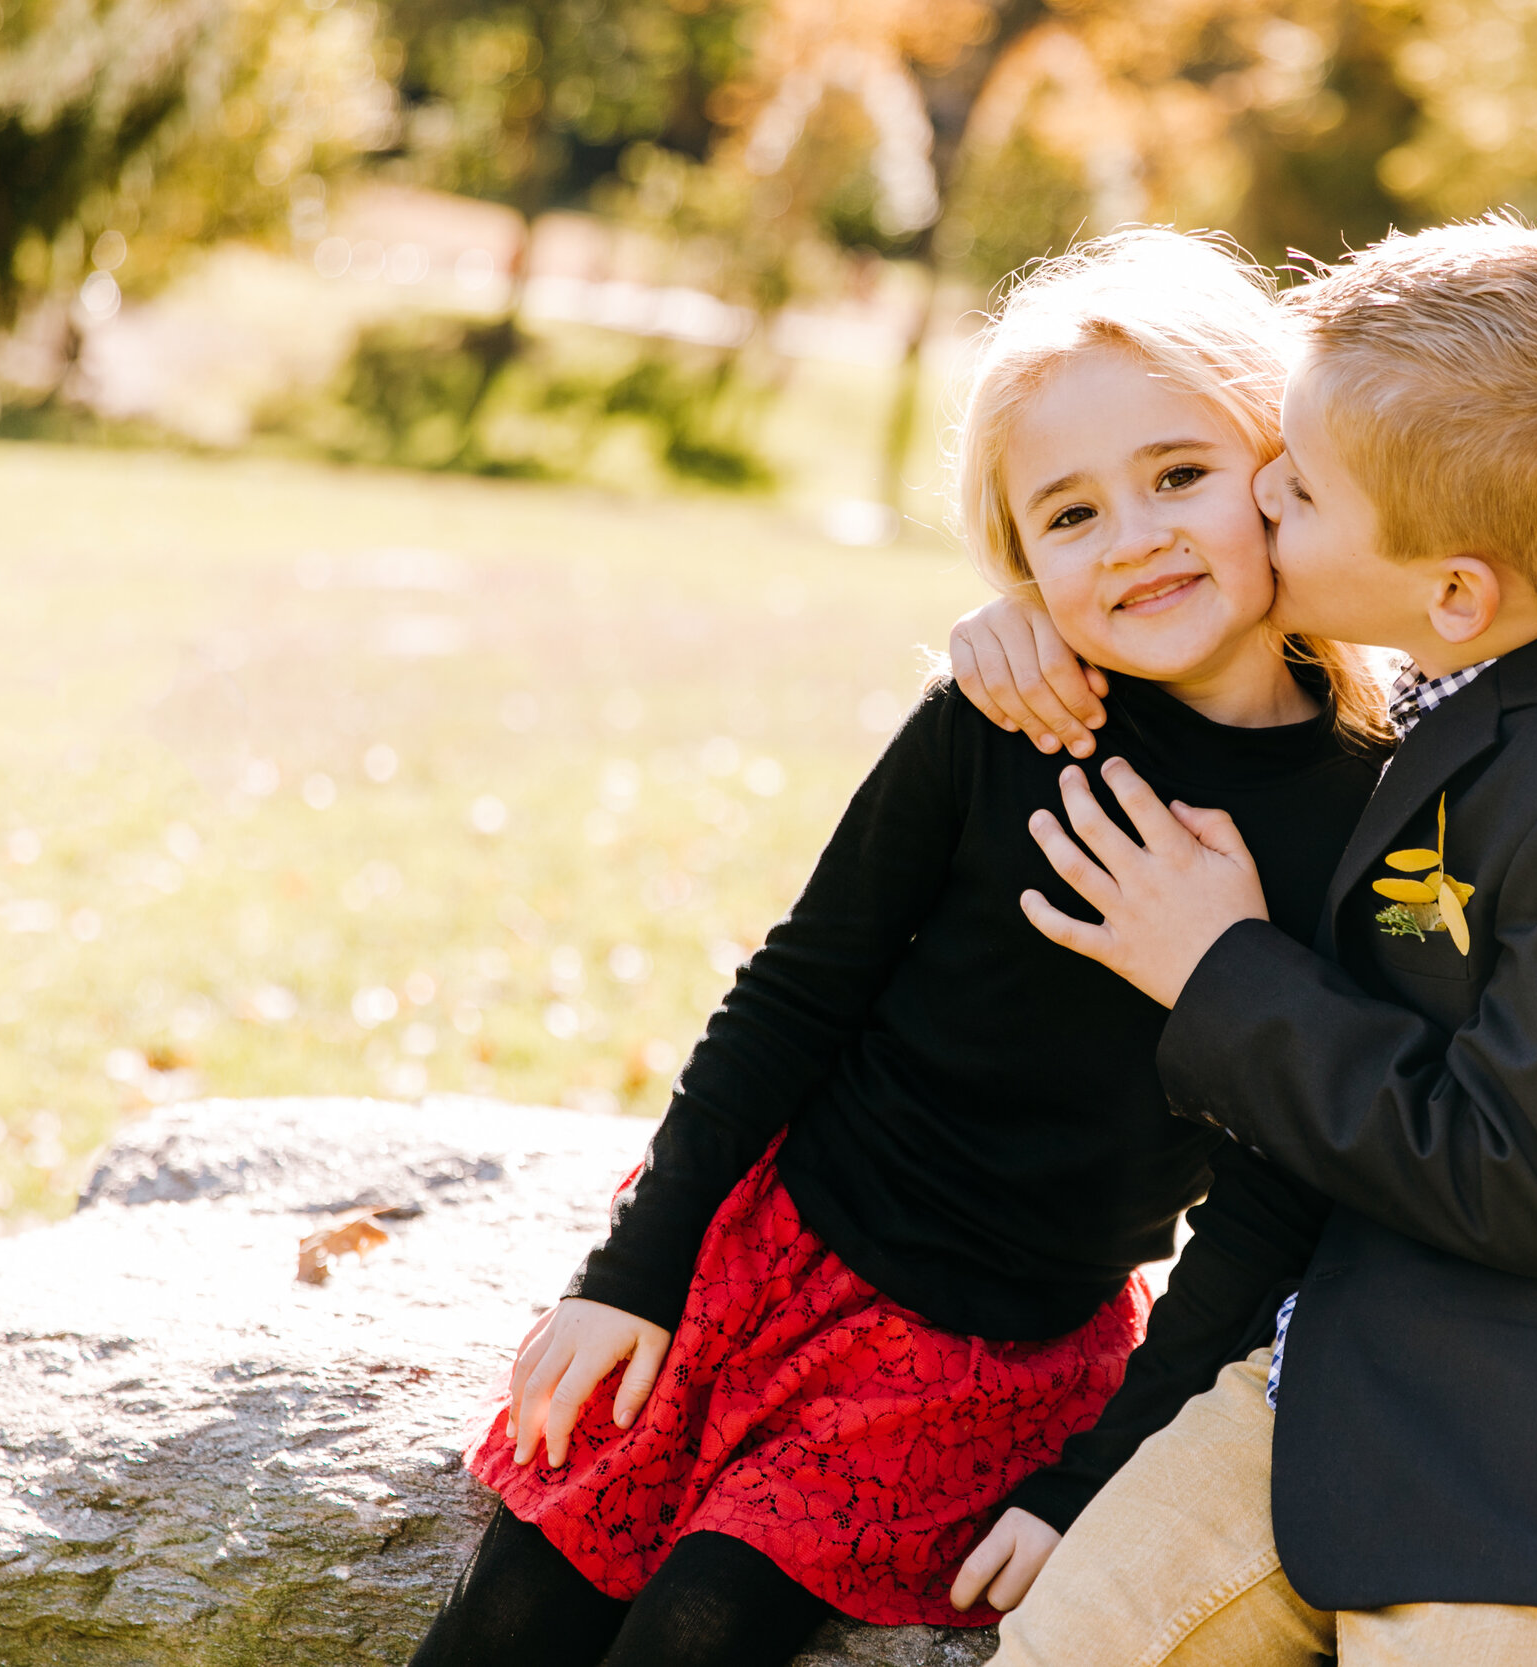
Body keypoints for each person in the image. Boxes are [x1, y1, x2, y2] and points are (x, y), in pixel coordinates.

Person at [403, 228, 1389, 1667]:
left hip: (985, 1363)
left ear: (1282, 465)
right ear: (1019, 559)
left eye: (1179, 474)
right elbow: (800, 987)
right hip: (774, 1249)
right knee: (508, 1619)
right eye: (1069, 515)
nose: (1133, 538)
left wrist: (1087, 1477)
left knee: (697, 1634)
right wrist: (634, 1269)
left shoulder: (1371, 818)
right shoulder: (1007, 718)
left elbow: (1268, 1203)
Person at [948, 216, 1537, 1667]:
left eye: (1296, 486)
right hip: (1340, 1372)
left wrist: (1220, 968)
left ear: (1456, 592)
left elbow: (1520, 1182)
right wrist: (1024, 627)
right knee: (1066, 1643)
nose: (1258, 494)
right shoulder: (1448, 672)